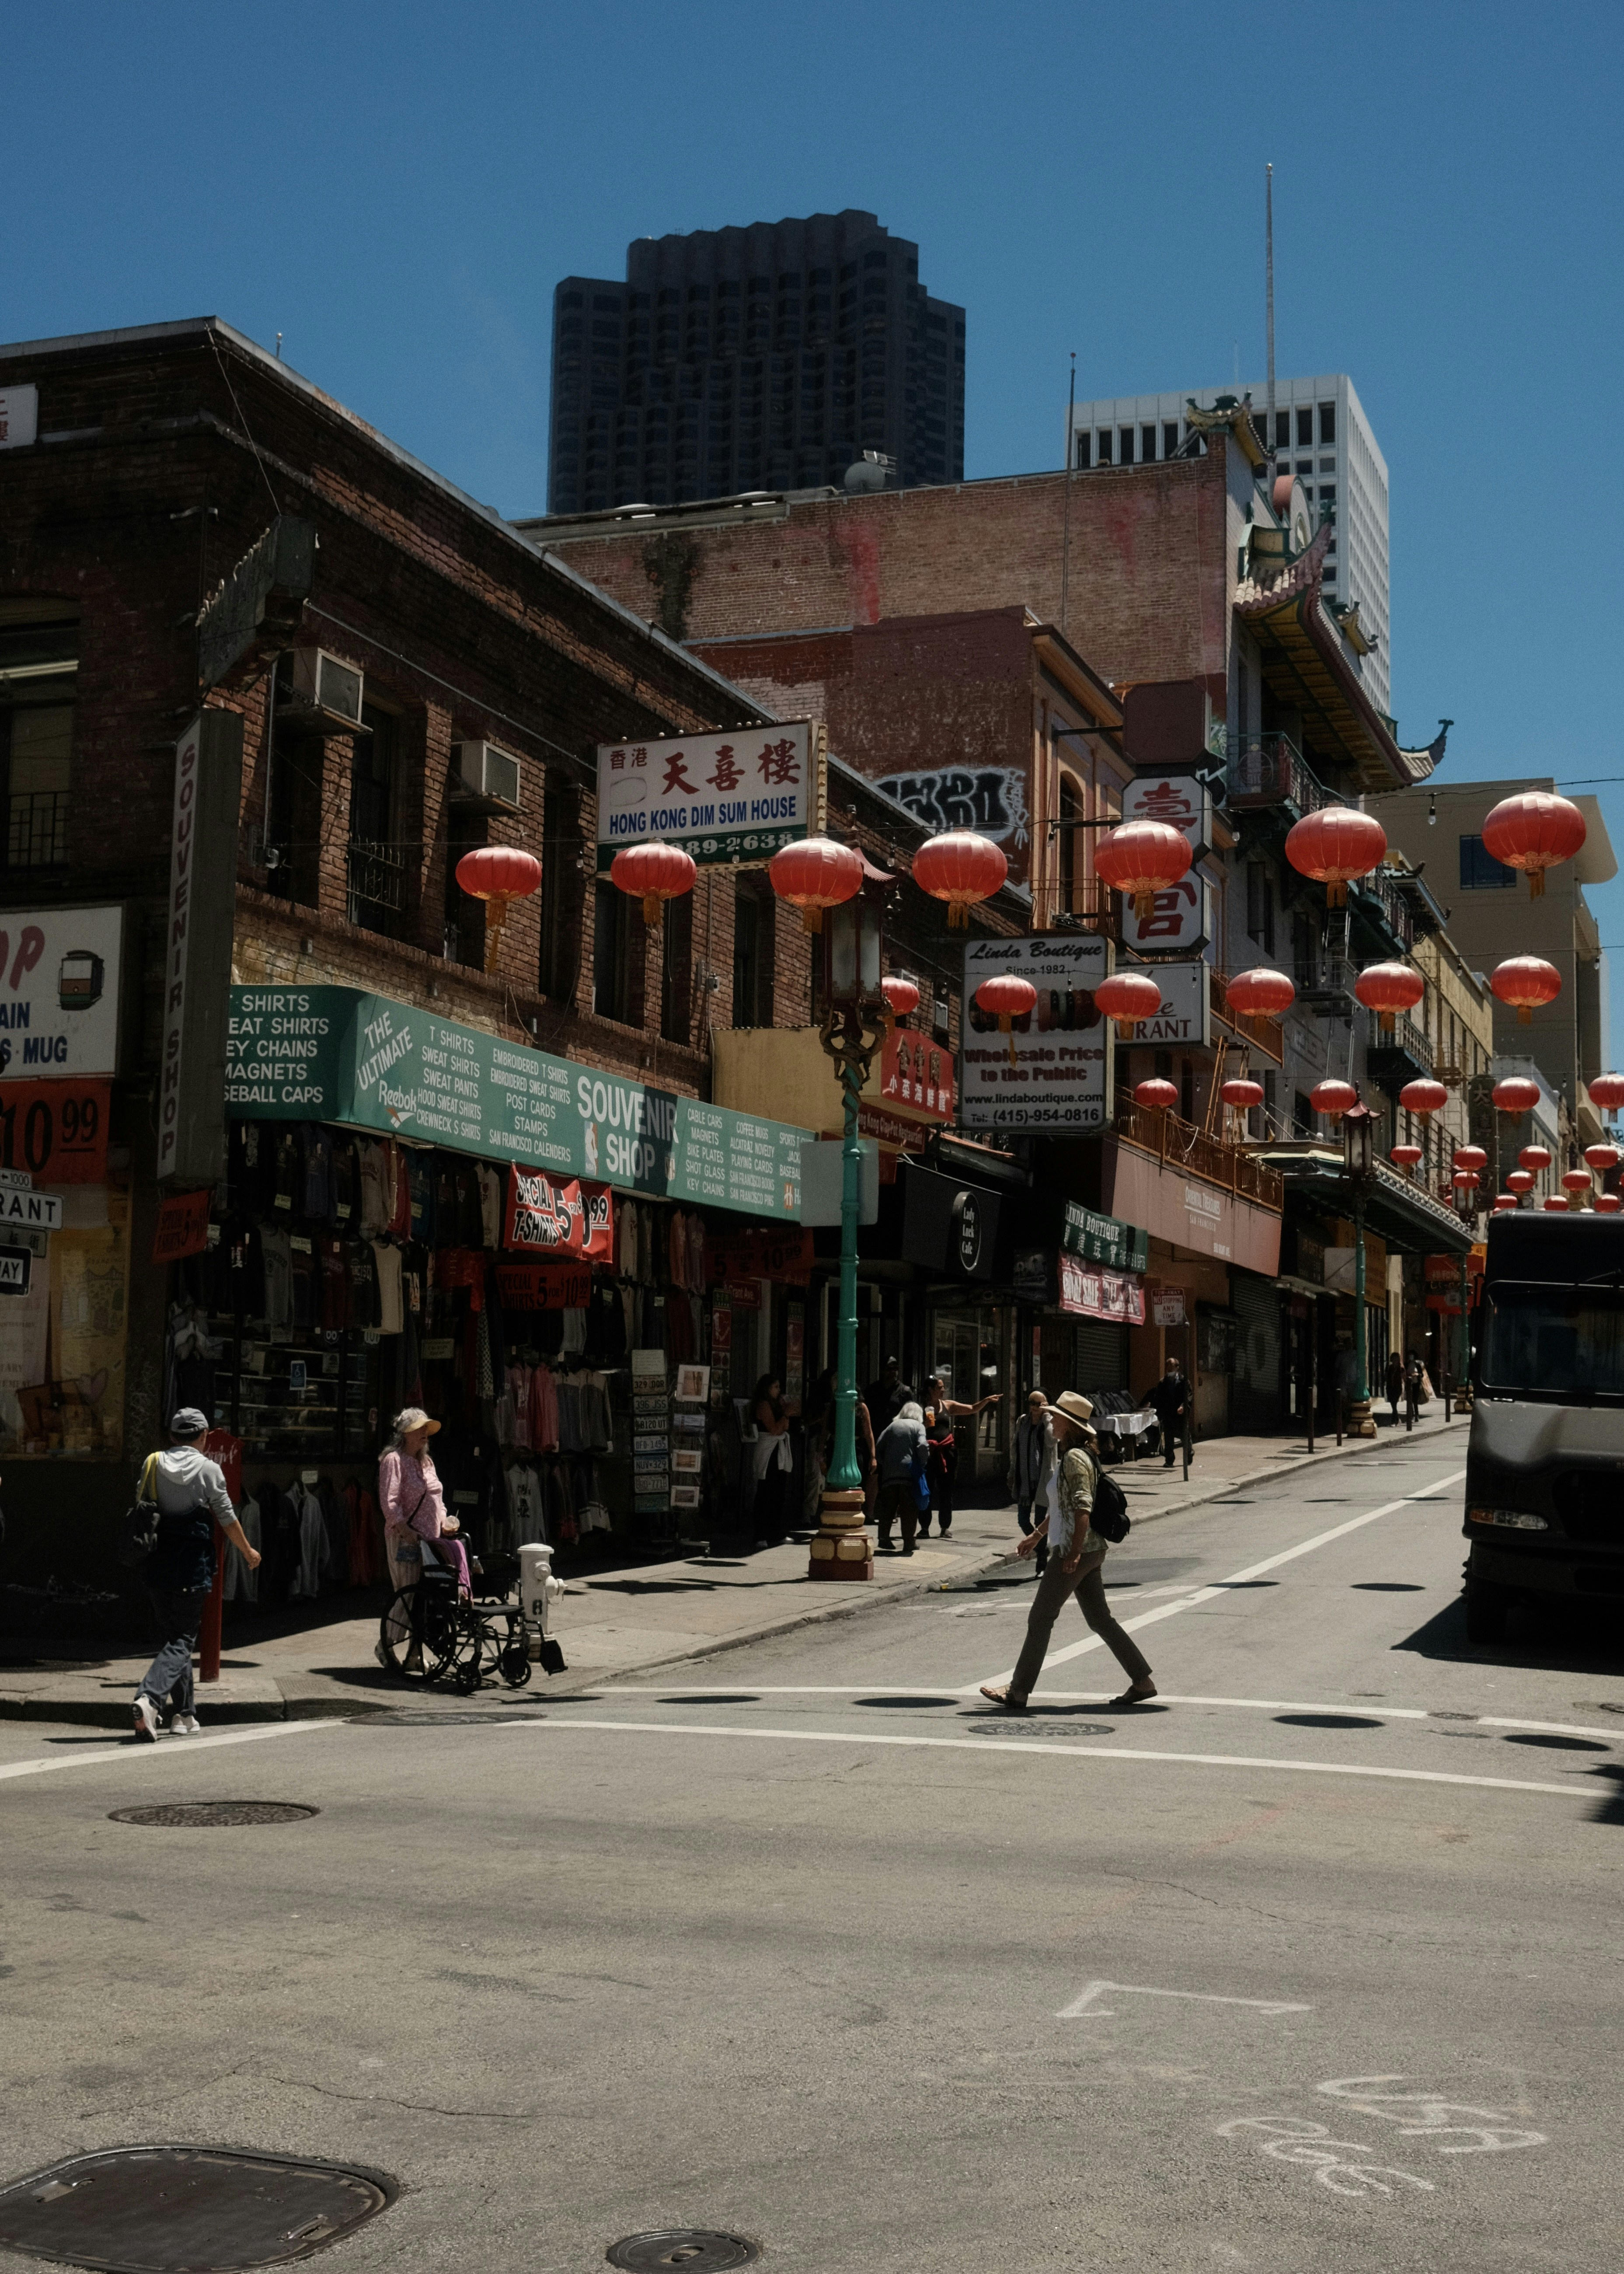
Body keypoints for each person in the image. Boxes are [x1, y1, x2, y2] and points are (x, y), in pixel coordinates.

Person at [981, 1391, 1156, 1713]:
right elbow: (1062, 1507)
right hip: (1089, 1549)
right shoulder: (1077, 1454)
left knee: (1041, 1617)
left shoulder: (1075, 1458)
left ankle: (1018, 1692)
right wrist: (1036, 1535)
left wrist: (1072, 1553)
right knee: (1101, 1620)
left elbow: (1082, 1508)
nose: (1050, 1419)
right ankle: (1142, 1681)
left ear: (1069, 1424)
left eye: (1055, 1416)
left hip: (1076, 1549)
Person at [132, 1408, 262, 1741]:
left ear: (173, 1436)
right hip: (191, 1565)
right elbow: (228, 1518)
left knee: (172, 1637)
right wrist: (248, 1551)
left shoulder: (153, 1462)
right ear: (204, 1436)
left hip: (157, 1563)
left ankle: (185, 1714)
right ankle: (150, 1698)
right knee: (183, 1639)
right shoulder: (209, 1469)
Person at [376, 1407, 468, 1670]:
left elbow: (437, 1499)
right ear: (406, 1434)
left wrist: (445, 1521)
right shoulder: (393, 1460)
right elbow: (390, 1502)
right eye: (420, 1429)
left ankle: (415, 1655)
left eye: (426, 1429)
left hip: (432, 1539)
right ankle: (386, 1646)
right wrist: (406, 1530)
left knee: (426, 1599)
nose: (425, 1434)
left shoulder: (427, 1463)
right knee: (408, 1596)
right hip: (407, 1540)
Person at [919, 1374, 1000, 1539]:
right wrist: (923, 1425)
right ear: (931, 1390)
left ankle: (945, 1527)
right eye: (940, 1388)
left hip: (947, 1453)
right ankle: (925, 1528)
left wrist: (986, 1401)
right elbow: (913, 1428)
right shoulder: (920, 1408)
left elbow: (971, 1409)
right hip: (928, 1454)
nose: (943, 1390)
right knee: (926, 1491)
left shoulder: (947, 1405)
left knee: (946, 1491)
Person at [1008, 1390, 1056, 1576]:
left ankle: (1042, 1564)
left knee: (1039, 1521)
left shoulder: (1050, 1422)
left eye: (1039, 1404)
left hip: (1042, 1478)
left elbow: (1052, 1442)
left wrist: (1048, 1417)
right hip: (1024, 1478)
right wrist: (1012, 1472)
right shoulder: (1023, 1421)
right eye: (1032, 1403)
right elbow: (1015, 1448)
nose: (1035, 1408)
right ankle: (1042, 1550)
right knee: (1022, 1520)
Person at [874, 1399, 929, 1555]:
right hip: (909, 1475)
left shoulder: (892, 1426)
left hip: (890, 1475)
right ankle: (909, 1543)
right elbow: (923, 1446)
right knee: (909, 1509)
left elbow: (879, 1446)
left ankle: (884, 1538)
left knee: (888, 1507)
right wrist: (923, 1463)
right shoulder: (919, 1426)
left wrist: (885, 1463)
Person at [821, 1384, 877, 1523]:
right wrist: (820, 1453)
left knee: (856, 1481)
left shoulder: (862, 1408)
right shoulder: (832, 1407)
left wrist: (873, 1457)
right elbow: (824, 1431)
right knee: (833, 1481)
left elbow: (869, 1433)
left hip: (856, 1446)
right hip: (835, 1446)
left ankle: (853, 1512)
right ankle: (834, 1513)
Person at [750, 1374, 793, 1545]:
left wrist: (785, 1414)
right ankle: (761, 1534)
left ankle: (776, 1532)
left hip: (778, 1448)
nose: (779, 1390)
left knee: (779, 1492)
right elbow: (775, 1429)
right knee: (766, 1492)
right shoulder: (763, 1405)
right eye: (775, 1387)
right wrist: (785, 1416)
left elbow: (784, 1426)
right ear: (767, 1389)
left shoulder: (776, 1404)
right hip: (769, 1449)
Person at [1147, 1361, 1190, 1468]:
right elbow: (1158, 1398)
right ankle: (1169, 1460)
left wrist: (1183, 1406)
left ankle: (1189, 1454)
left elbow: (1188, 1396)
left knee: (1185, 1436)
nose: (1169, 1368)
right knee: (1168, 1438)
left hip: (1180, 1414)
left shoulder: (1184, 1381)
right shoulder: (1163, 1382)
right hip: (1168, 1414)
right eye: (1167, 1366)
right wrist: (1156, 1410)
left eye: (1171, 1366)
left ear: (1177, 1367)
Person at [863, 1357, 914, 1433]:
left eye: (896, 1368)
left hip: (897, 1436)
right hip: (876, 1435)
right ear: (882, 1370)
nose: (893, 1372)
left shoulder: (905, 1392)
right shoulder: (872, 1390)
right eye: (890, 1369)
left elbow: (912, 1418)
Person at [1385, 1348, 1404, 1425]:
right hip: (1390, 1387)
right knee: (1393, 1404)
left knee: (1394, 1403)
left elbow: (1404, 1378)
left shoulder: (1401, 1369)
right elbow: (1386, 1376)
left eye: (1396, 1359)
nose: (1395, 1360)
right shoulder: (1389, 1368)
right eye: (1393, 1359)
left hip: (1397, 1388)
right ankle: (1397, 1419)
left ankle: (1394, 1421)